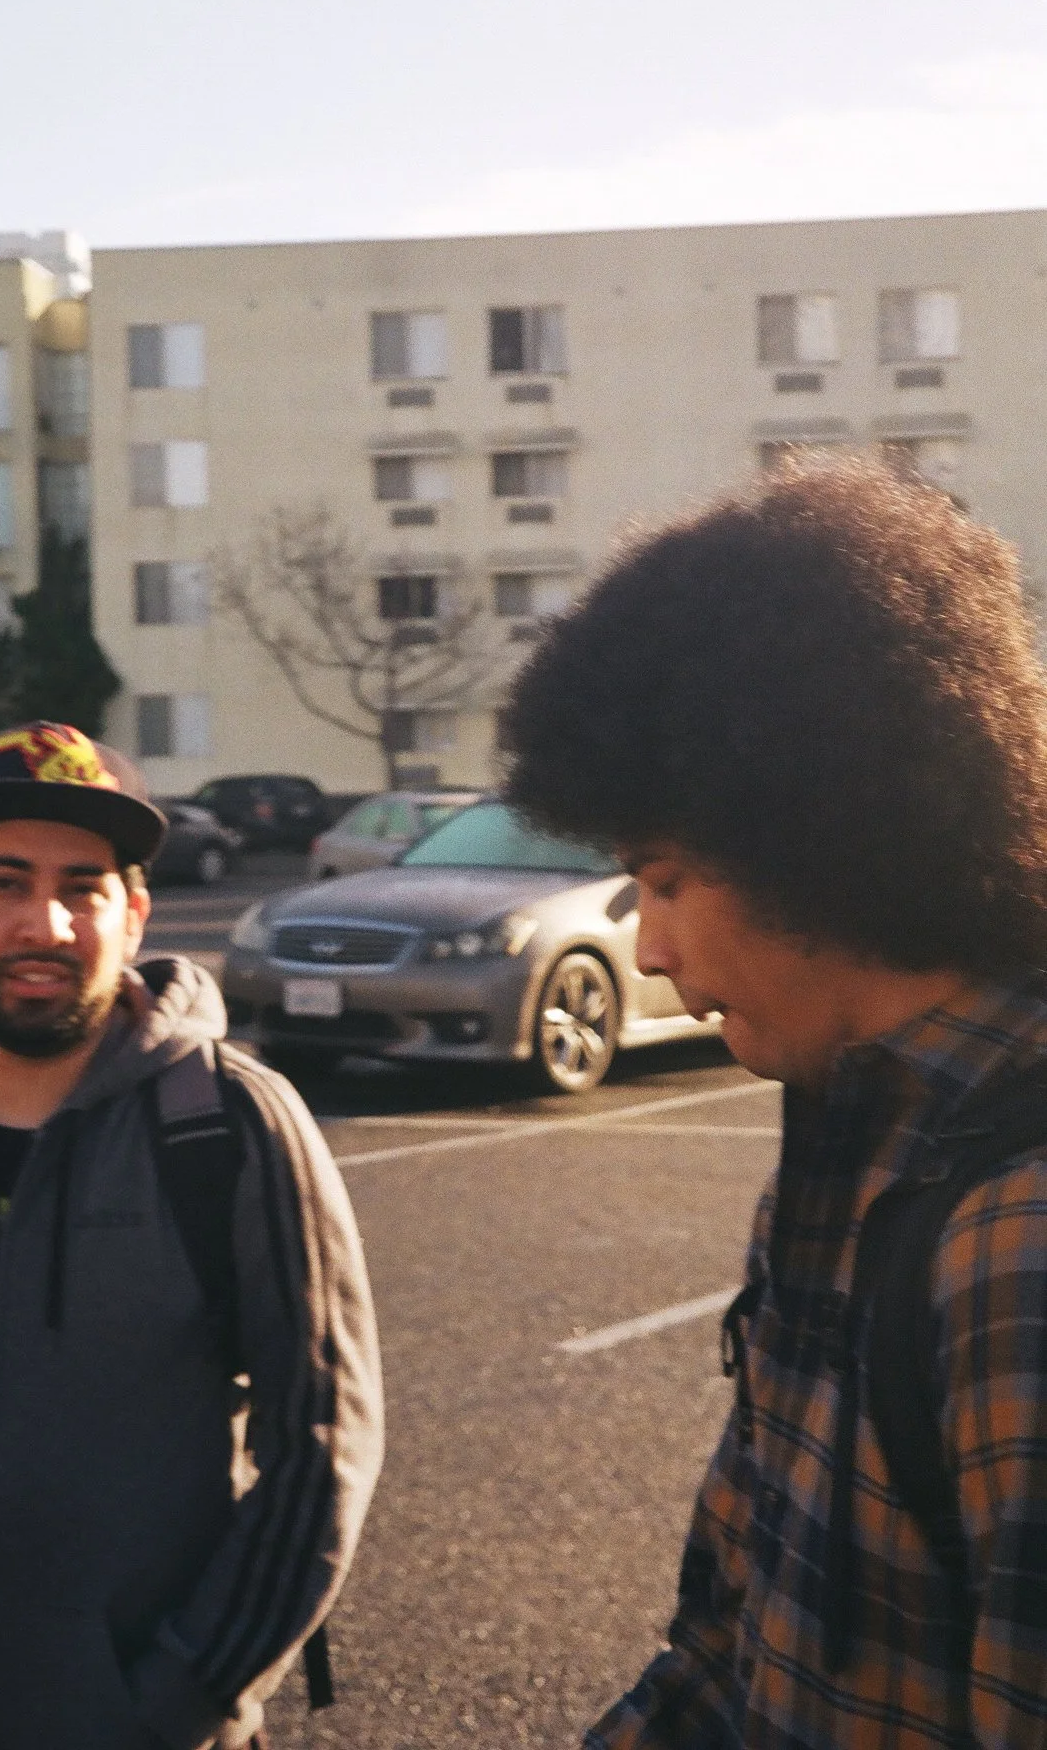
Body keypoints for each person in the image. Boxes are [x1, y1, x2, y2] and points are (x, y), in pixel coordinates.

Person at [500, 455, 1047, 1746]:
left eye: (670, 879)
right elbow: (726, 1641)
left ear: (822, 835)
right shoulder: (844, 1141)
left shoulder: (1016, 1236)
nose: (648, 948)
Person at [0, 721, 383, 1750]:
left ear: (134, 914)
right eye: (3, 882)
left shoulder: (231, 1127)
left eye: (84, 887)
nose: (44, 923)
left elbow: (323, 1447)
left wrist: (180, 1696)